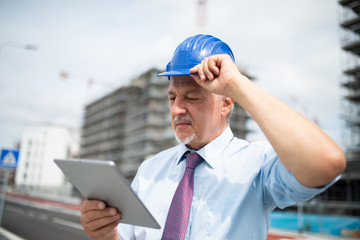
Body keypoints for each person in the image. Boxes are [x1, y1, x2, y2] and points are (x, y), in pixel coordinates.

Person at [80, 34, 346, 240]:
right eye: (172, 97)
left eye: (192, 97)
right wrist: (108, 235)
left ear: (227, 103)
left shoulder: (256, 165)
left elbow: (327, 162)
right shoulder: (150, 170)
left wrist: (238, 84)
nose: (176, 109)